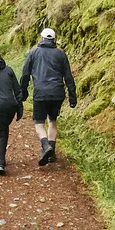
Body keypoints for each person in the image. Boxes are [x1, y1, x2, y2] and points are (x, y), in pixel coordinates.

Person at [20, 28, 77, 166]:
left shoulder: (33, 53)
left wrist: (23, 92)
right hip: (57, 93)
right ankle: (51, 154)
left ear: (42, 38)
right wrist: (72, 96)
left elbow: (25, 74)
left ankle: (46, 146)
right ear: (53, 39)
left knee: (39, 123)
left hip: (40, 93)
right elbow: (68, 77)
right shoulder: (60, 54)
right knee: (52, 121)